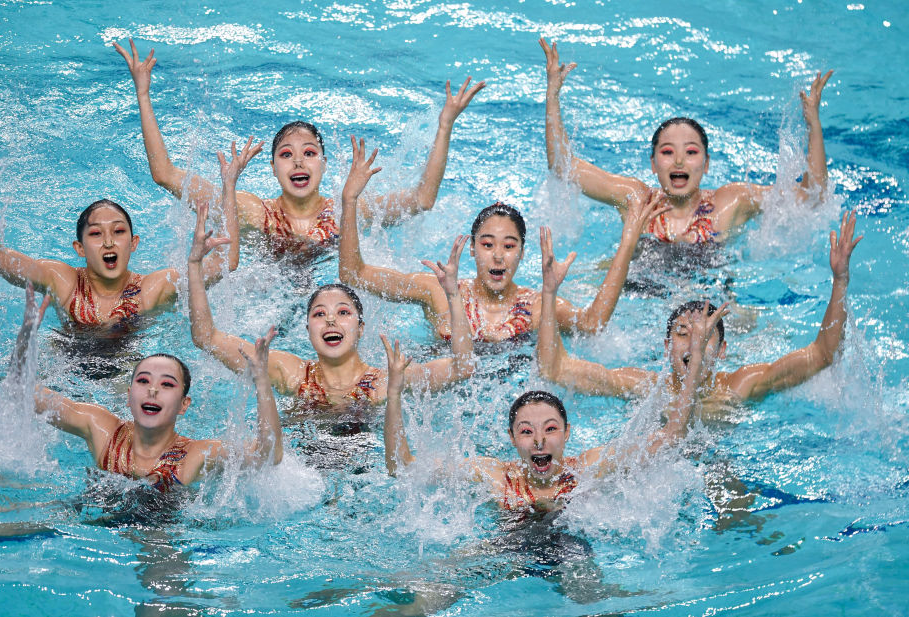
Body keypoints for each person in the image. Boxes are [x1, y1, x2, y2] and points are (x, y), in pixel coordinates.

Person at [114, 37, 485, 254]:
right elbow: (164, 174)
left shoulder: (348, 212)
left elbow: (422, 199)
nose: (298, 162)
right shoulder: (251, 211)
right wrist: (143, 94)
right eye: (286, 155)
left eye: (309, 153)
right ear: (273, 168)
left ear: (324, 163)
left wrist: (444, 126)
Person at [382, 301, 720, 510]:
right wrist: (394, 393)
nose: (540, 441)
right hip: (506, 548)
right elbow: (403, 467)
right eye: (527, 432)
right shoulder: (494, 476)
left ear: (567, 433)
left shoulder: (587, 470)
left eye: (550, 429)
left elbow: (671, 436)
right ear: (512, 438)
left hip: (570, 546)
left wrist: (696, 360)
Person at [339, 137, 670, 342]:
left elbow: (590, 324)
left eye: (509, 246)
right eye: (487, 245)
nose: (498, 256)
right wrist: (350, 202)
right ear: (471, 249)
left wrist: (628, 244)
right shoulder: (437, 291)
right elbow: (353, 275)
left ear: (522, 254)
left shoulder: (537, 306)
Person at [538, 211, 862, 420]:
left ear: (722, 350)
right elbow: (556, 369)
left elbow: (822, 355)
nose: (694, 342)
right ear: (667, 346)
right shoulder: (646, 389)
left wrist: (841, 281)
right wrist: (549, 295)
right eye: (683, 333)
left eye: (705, 336)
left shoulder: (739, 387)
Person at [186, 191, 475, 412]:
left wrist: (452, 296)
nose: (331, 320)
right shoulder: (290, 374)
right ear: (307, 330)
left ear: (361, 328)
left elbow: (462, 368)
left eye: (343, 312)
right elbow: (205, 337)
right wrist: (195, 266)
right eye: (319, 314)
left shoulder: (385, 382)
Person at [540, 38, 834, 244]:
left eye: (691, 152)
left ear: (706, 165)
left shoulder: (730, 203)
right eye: (667, 152)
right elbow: (563, 168)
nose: (679, 160)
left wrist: (814, 125)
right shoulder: (635, 200)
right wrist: (552, 95)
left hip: (710, 301)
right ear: (653, 164)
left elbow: (811, 198)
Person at [0, 124, 230, 334]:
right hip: (65, 361)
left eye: (118, 232)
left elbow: (227, 263)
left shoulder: (152, 288)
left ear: (134, 243)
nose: (109, 242)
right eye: (96, 234)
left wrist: (228, 189)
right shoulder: (61, 280)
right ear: (79, 248)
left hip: (126, 369)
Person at [11, 284, 283, 492]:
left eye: (167, 384)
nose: (152, 390)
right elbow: (22, 392)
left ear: (184, 405)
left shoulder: (194, 456)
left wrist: (261, 381)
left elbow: (267, 455)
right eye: (143, 381)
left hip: (159, 534)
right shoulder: (101, 429)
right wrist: (25, 340)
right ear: (129, 396)